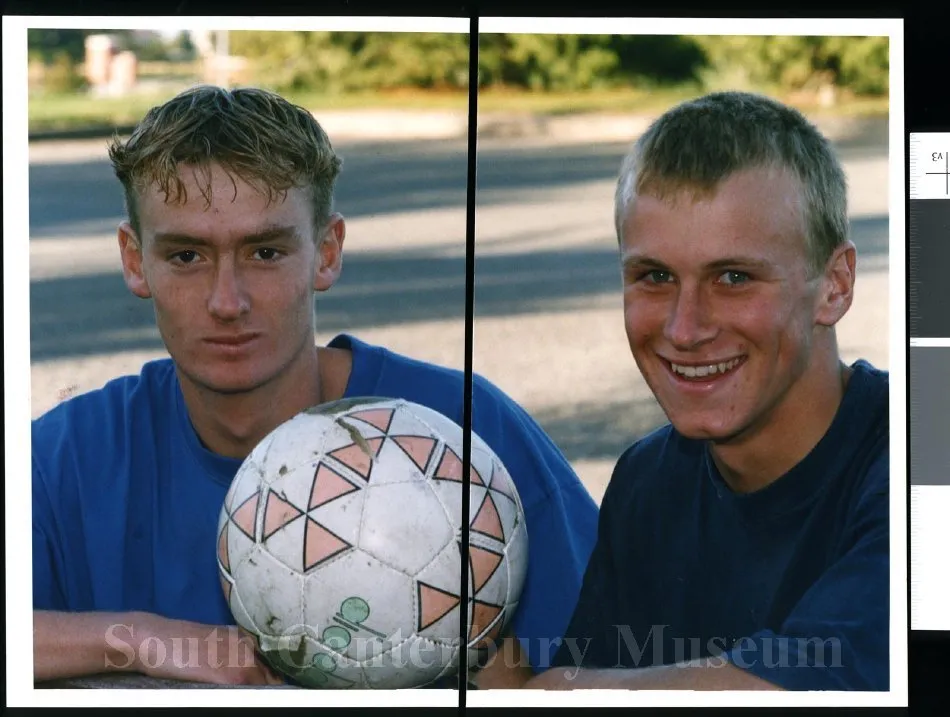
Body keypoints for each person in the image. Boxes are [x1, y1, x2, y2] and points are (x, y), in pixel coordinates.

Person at [31, 85, 598, 688]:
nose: (228, 301)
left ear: (327, 252)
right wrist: (141, 639)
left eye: (266, 251)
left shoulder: (463, 434)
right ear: (134, 258)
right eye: (187, 256)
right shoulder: (66, 458)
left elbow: (614, 659)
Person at [526, 91, 889, 691]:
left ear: (835, 285)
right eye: (655, 276)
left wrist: (553, 692)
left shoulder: (917, 459)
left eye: (734, 277)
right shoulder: (647, 481)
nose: (684, 328)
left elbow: (807, 688)